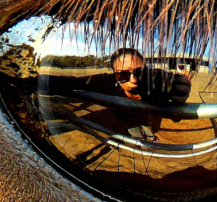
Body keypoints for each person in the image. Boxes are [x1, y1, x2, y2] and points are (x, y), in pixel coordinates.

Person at [41, 47, 192, 142]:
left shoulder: (157, 79)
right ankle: (138, 137)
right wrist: (32, 82)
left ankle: (149, 135)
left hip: (148, 111)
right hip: (124, 114)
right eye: (123, 75)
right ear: (114, 75)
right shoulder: (106, 82)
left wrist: (180, 97)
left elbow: (176, 115)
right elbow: (70, 82)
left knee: (150, 123)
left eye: (139, 73)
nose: (133, 80)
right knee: (131, 124)